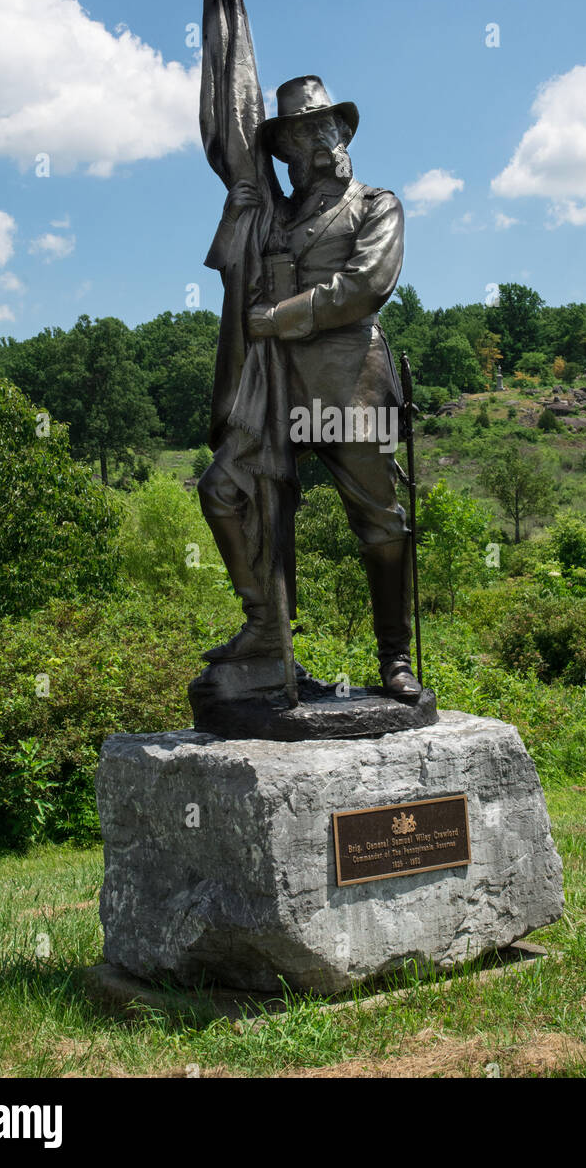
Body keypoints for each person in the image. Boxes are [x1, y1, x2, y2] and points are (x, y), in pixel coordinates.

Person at [198, 76, 420, 701]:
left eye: (324, 128)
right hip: (276, 384)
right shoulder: (276, 215)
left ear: (344, 133)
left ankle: (394, 659)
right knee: (225, 490)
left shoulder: (377, 204)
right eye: (299, 133)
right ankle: (267, 631)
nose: (315, 142)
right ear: (286, 150)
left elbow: (366, 284)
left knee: (378, 521)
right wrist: (238, 209)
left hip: (351, 385)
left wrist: (282, 317)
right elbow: (233, 274)